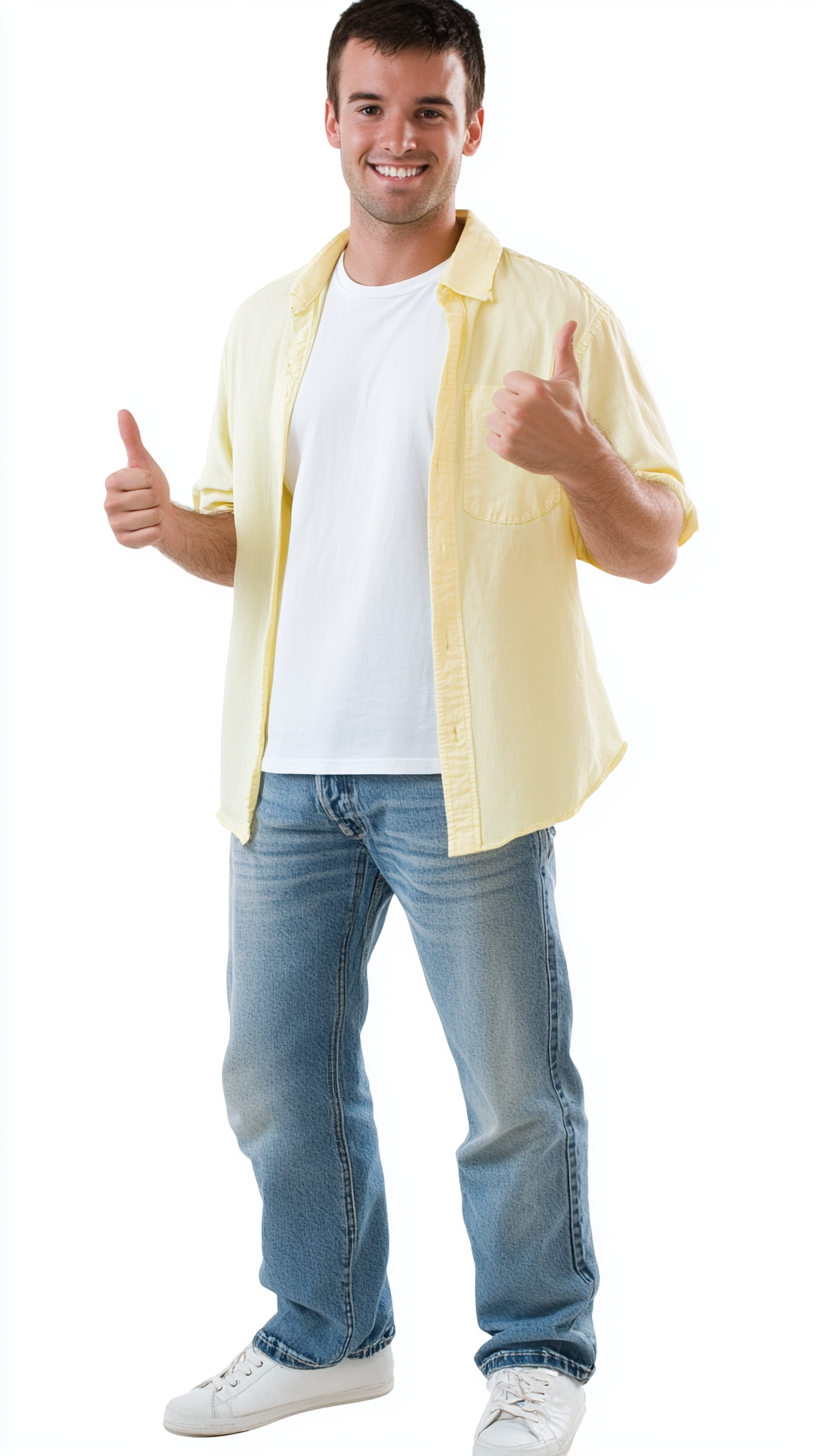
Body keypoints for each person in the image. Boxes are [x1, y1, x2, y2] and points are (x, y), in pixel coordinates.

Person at [104, 1, 697, 1449]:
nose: (397, 141)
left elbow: (657, 542)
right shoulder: (268, 322)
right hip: (288, 769)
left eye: (429, 112)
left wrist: (574, 458)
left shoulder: (553, 314)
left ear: (473, 127)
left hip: (463, 776)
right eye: (370, 108)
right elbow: (249, 538)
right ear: (331, 120)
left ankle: (539, 1353)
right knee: (274, 1074)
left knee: (511, 1088)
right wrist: (171, 525)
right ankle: (328, 1332)